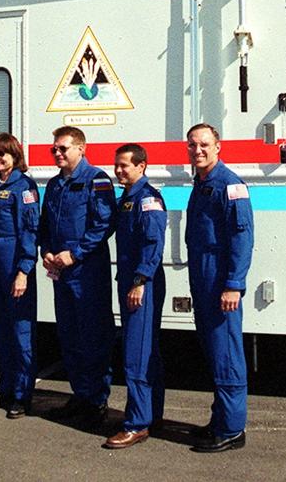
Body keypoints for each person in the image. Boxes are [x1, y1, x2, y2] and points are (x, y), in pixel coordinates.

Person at [38, 125, 116, 428]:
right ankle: (80, 395)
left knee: (93, 336)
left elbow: (103, 224)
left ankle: (97, 402)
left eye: (63, 148)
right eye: (54, 149)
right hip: (61, 271)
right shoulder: (56, 184)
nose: (57, 153)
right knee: (69, 336)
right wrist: (46, 250)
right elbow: (46, 224)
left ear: (81, 149)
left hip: (87, 272)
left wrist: (76, 253)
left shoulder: (96, 180)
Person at [185, 123, 254, 452]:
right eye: (192, 145)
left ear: (218, 147)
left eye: (204, 145)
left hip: (219, 278)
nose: (197, 150)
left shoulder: (230, 185)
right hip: (203, 277)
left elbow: (242, 239)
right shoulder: (201, 185)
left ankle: (231, 429)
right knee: (214, 350)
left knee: (226, 353)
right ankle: (220, 419)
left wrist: (233, 284)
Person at [103, 143, 166, 449]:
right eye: (116, 165)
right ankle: (150, 414)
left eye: (124, 165)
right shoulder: (127, 199)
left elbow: (153, 243)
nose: (118, 170)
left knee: (137, 354)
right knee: (144, 349)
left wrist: (140, 281)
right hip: (132, 279)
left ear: (141, 166)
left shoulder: (147, 198)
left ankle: (137, 424)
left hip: (143, 282)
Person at [0, 133, 40, 419]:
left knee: (21, 331)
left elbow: (30, 231)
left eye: (3, 154)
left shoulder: (24, 186)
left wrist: (23, 271)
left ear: (15, 156)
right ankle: (6, 387)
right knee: (1, 330)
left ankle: (22, 394)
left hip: (15, 262)